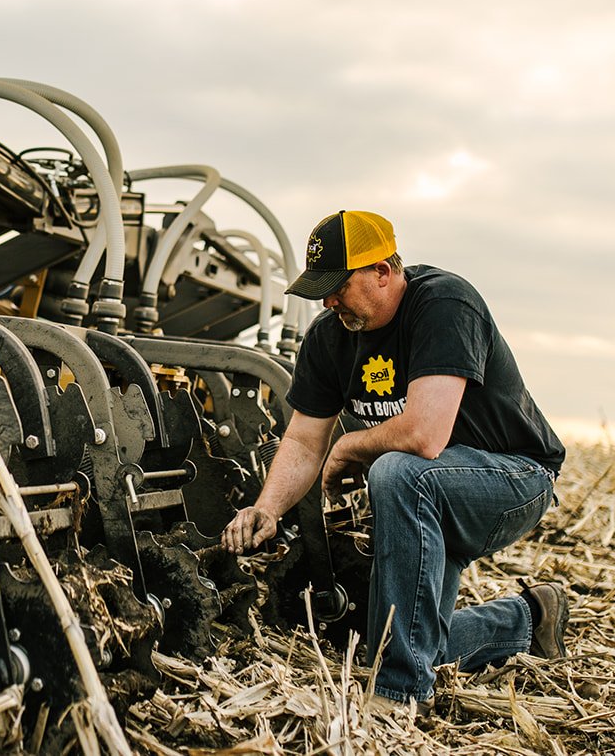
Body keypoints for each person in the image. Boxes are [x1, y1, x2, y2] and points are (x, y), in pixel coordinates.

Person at [221, 209, 569, 713]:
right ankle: (531, 618)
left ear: (383, 271)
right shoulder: (329, 336)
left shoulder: (445, 303)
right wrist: (267, 509)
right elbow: (301, 441)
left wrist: (347, 448)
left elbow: (424, 436)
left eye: (339, 284)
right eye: (322, 287)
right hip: (431, 488)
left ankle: (400, 694)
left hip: (513, 477)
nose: (328, 299)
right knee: (395, 637)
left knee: (396, 470)